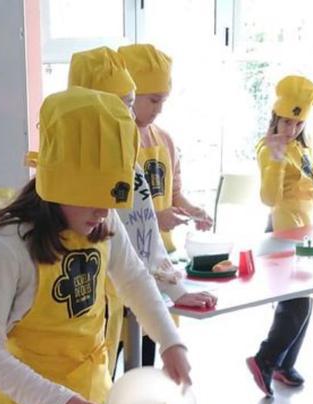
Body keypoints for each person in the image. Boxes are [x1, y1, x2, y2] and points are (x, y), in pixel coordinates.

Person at [0, 87, 192, 404]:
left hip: (91, 398)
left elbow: (134, 279)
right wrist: (54, 401)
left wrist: (170, 341)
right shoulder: (5, 246)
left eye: (111, 198)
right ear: (60, 184)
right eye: (92, 197)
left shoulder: (104, 219)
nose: (104, 210)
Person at [66, 46, 216, 374]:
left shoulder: (128, 166)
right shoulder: (58, 172)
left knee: (113, 382)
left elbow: (144, 235)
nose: (127, 119)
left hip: (114, 299)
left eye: (130, 106)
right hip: (69, 319)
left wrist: (176, 290)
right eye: (119, 107)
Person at [246, 75, 313, 396]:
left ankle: (284, 365)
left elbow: (308, 164)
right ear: (275, 118)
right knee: (296, 304)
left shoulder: (300, 145)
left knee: (304, 300)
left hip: (304, 232)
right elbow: (268, 198)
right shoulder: (268, 148)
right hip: (281, 232)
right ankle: (265, 359)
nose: (291, 130)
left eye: (298, 123)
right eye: (286, 122)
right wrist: (274, 160)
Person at [118, 42, 214, 365]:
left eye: (164, 100)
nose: (158, 109)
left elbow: (173, 194)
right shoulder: (115, 143)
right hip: (124, 265)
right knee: (118, 346)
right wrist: (156, 217)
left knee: (149, 349)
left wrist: (191, 210)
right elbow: (122, 214)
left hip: (161, 262)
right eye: (152, 100)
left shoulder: (165, 140)